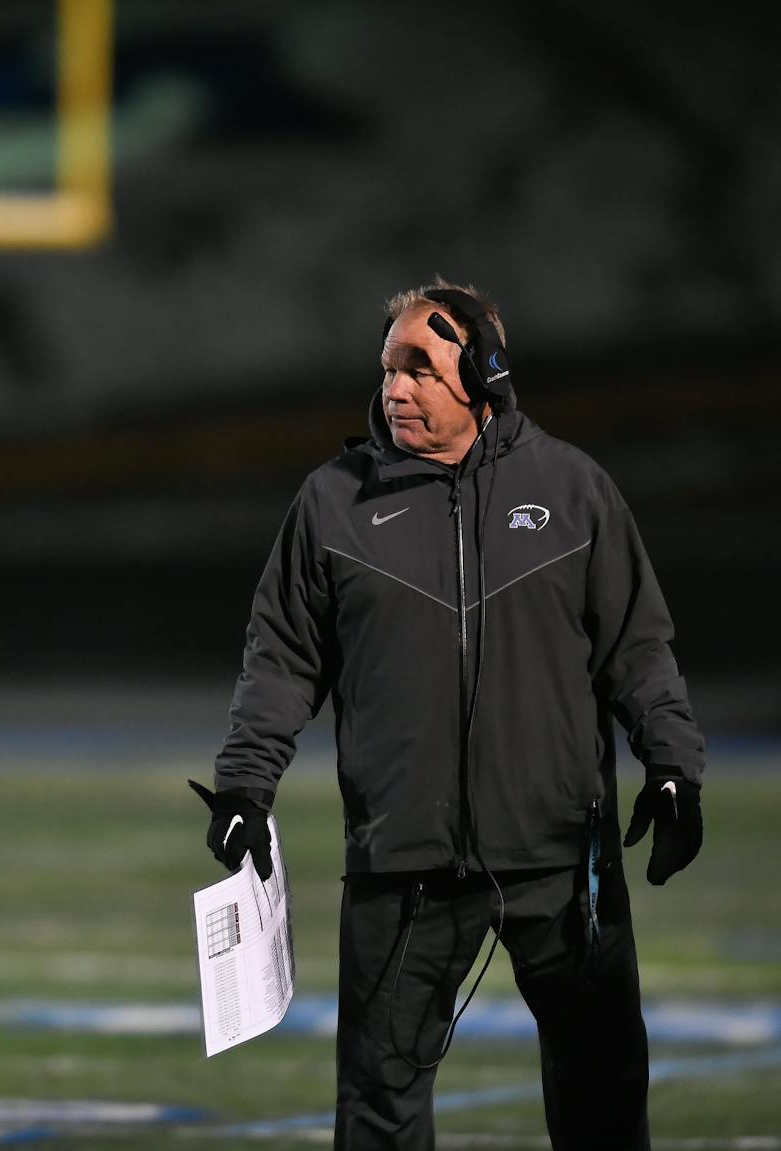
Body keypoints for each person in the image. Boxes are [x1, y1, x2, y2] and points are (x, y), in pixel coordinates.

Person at [191, 277, 705, 1150]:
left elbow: (637, 650)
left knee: (604, 1103)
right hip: (403, 867)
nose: (395, 387)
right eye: (389, 367)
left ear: (483, 374)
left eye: (420, 367)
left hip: (558, 859)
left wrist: (672, 767)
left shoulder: (574, 491)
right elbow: (280, 659)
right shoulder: (332, 503)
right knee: (379, 1113)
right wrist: (245, 784)